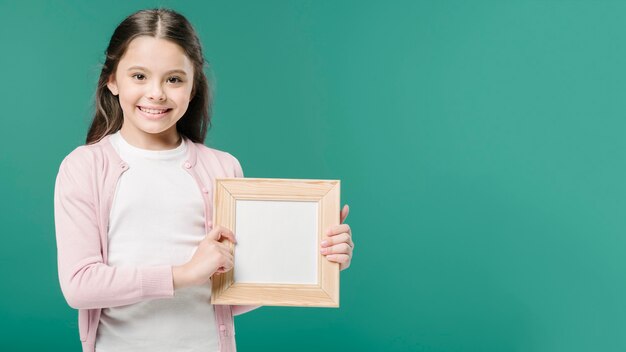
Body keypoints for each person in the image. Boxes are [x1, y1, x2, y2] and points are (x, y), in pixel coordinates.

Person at [53, 8, 354, 352]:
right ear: (112, 80)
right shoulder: (85, 167)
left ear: (194, 85)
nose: (156, 93)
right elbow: (80, 286)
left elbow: (231, 295)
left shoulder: (222, 168)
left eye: (174, 79)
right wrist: (184, 274)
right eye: (139, 76)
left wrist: (314, 260)